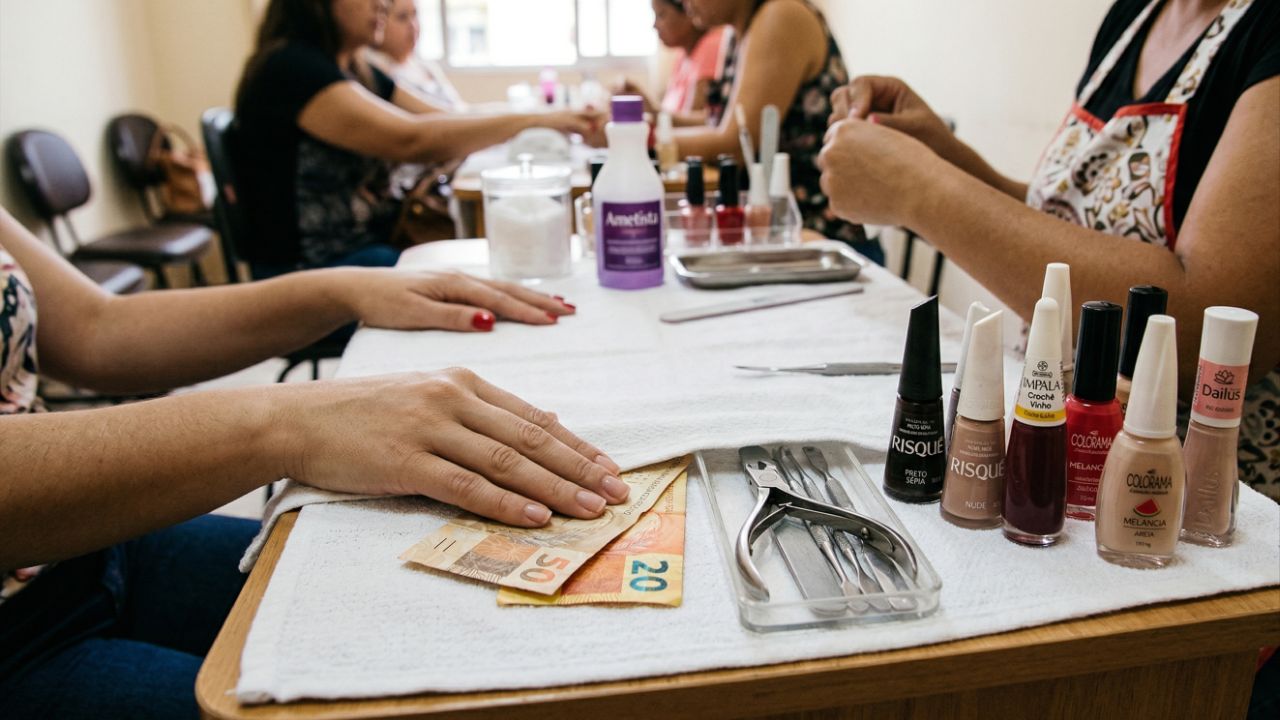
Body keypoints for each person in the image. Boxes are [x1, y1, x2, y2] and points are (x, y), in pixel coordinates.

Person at [0, 206, 626, 717]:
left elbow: (95, 329)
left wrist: (344, 286)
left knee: (461, 625)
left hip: (88, 545)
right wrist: (288, 422)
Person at [820, 0, 1279, 497]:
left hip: (1180, 493)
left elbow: (1209, 330)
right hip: (1056, 440)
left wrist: (922, 190)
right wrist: (940, 156)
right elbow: (1068, 222)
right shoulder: (1135, 15)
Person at [233, 0, 599, 277]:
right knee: (483, 278)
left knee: (490, 270)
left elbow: (446, 117)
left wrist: (545, 116)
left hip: (362, 250)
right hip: (311, 268)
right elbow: (413, 141)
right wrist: (537, 119)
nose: (384, 3)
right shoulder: (292, 70)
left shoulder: (353, 69)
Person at [665, 0, 883, 264]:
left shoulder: (781, 16)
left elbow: (734, 141)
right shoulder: (738, 31)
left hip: (820, 241)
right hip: (778, 235)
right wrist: (650, 120)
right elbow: (720, 122)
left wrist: (641, 140)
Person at [616, 0, 728, 126]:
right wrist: (647, 106)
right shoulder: (683, 56)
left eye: (661, 15)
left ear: (688, 12)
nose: (654, 25)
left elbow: (696, 126)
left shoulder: (711, 46)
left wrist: (652, 111)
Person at [366, 0, 466, 112]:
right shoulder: (374, 72)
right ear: (381, 21)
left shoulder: (427, 67)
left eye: (415, 14)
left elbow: (460, 109)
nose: (413, 25)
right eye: (402, 17)